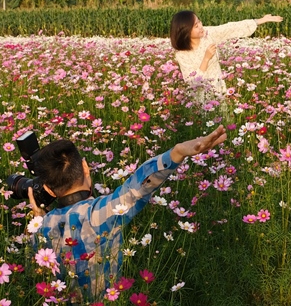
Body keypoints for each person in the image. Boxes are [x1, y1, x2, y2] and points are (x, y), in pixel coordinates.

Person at [28, 125, 227, 299]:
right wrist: (176, 153)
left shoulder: (42, 227)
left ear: (47, 189)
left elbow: (37, 275)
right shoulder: (99, 214)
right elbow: (137, 188)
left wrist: (38, 222)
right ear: (85, 168)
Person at [170, 10, 282, 96]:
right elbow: (192, 82)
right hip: (199, 98)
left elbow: (230, 28)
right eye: (196, 26)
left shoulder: (208, 35)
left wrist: (261, 20)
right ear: (185, 31)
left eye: (199, 21)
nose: (201, 26)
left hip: (219, 91)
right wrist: (206, 59)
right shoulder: (182, 55)